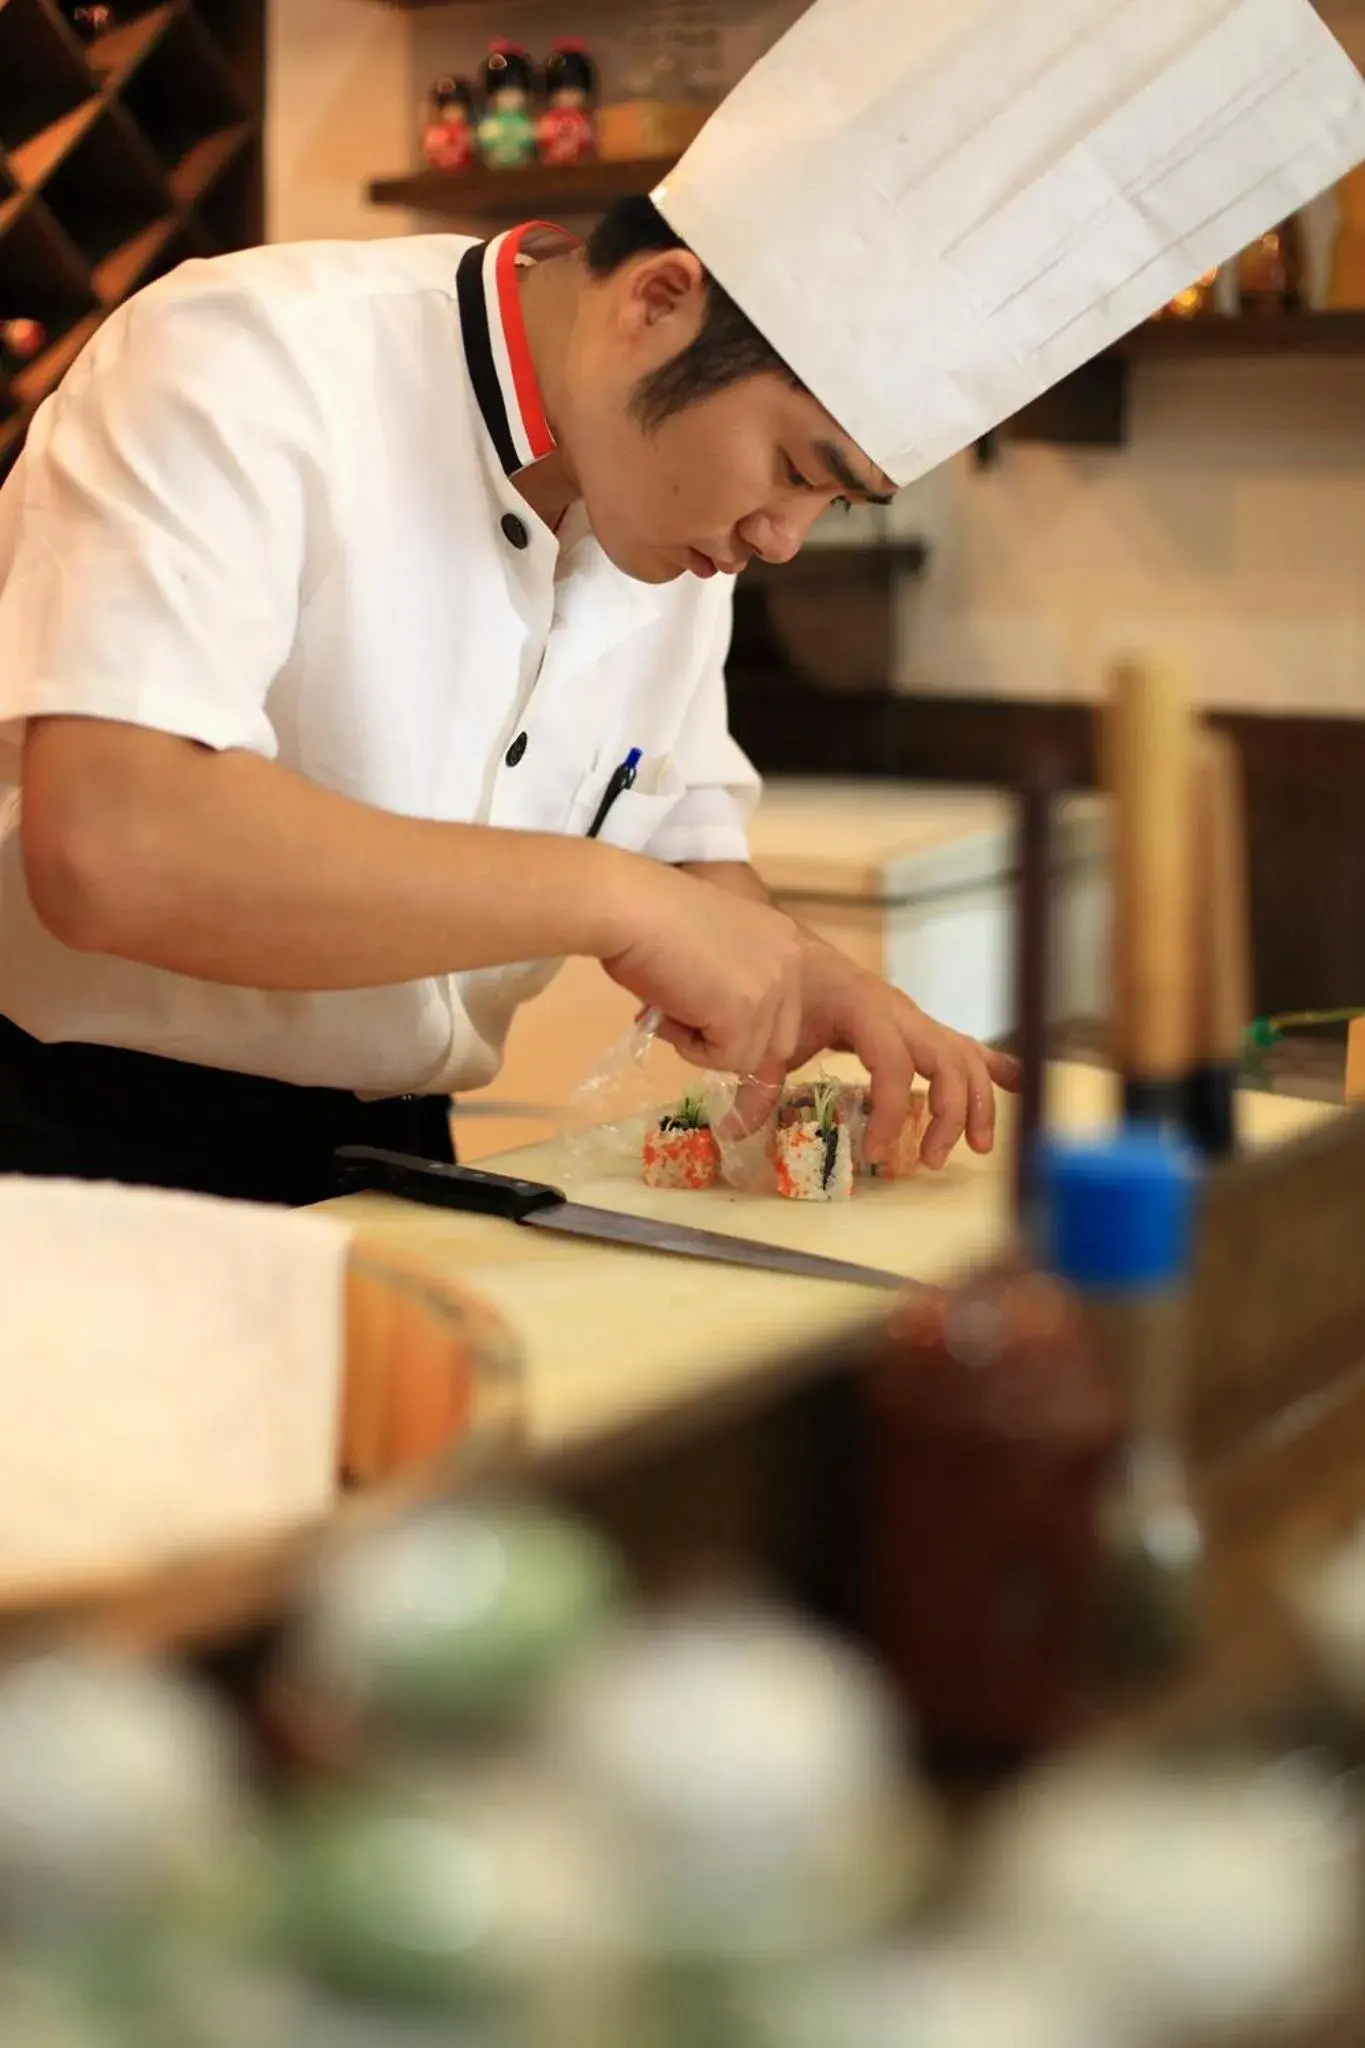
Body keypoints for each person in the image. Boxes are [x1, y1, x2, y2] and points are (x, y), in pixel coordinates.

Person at [0, 0, 1360, 1208]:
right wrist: (616, 904)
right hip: (77, 1154)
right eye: (793, 467)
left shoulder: (669, 519)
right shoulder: (244, 363)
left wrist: (794, 967)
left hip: (398, 1158)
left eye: (841, 502)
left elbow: (678, 840)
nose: (781, 540)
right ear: (659, 301)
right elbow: (116, 839)